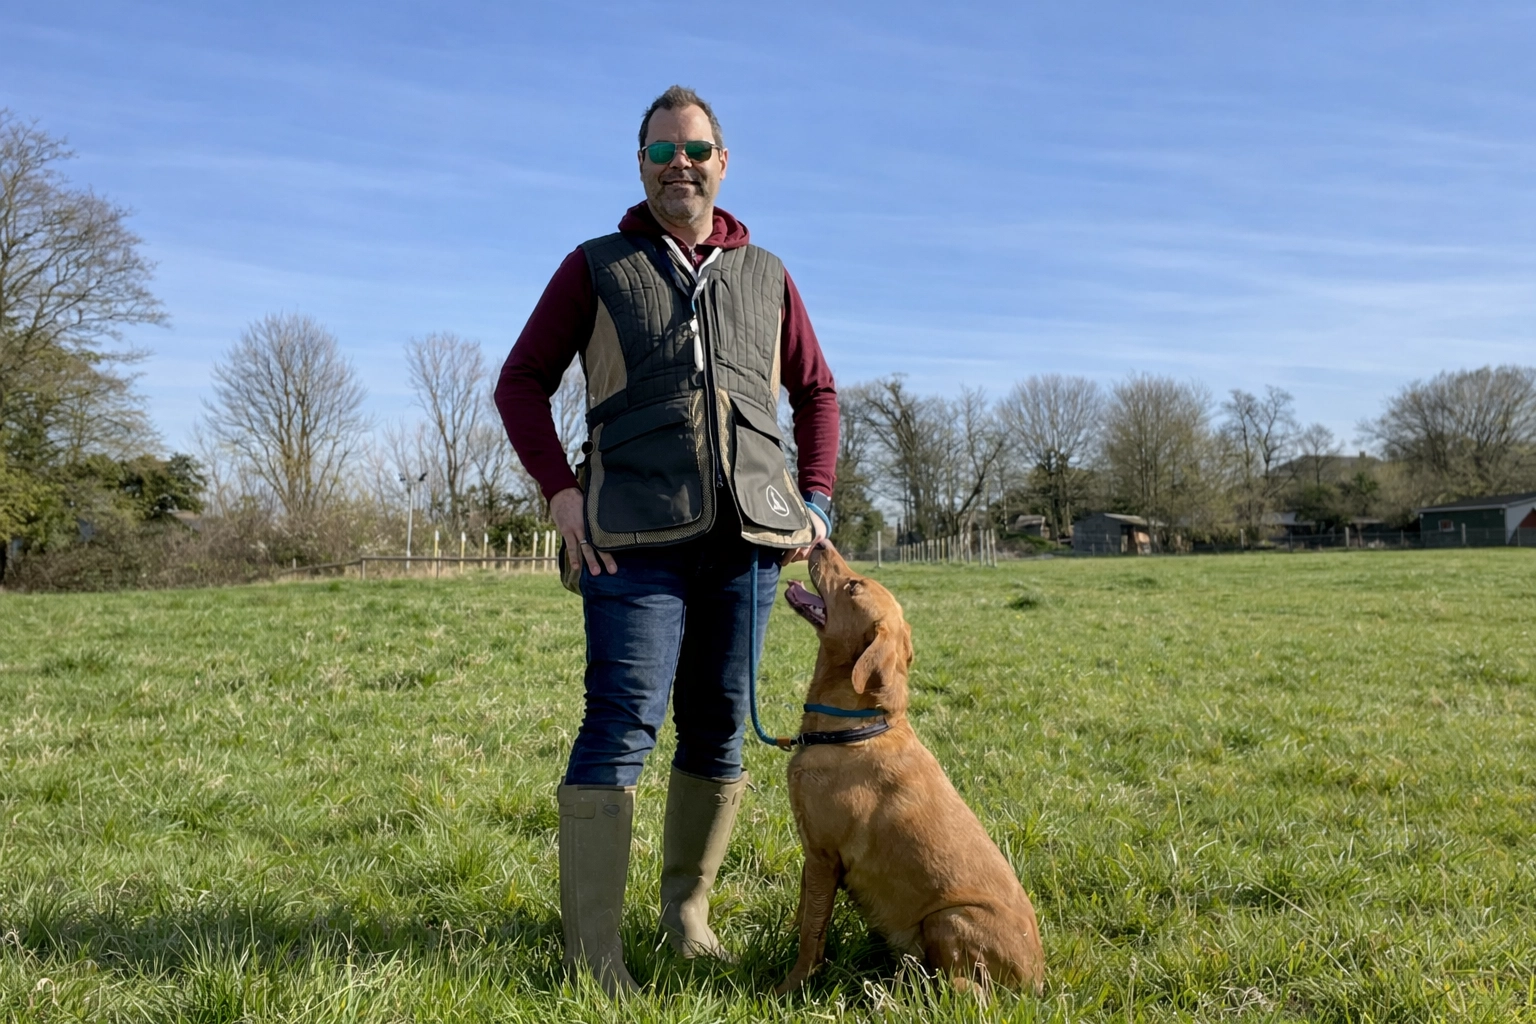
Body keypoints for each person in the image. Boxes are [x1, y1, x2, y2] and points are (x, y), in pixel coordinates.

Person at [494, 85, 838, 994]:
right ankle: (593, 957)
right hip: (628, 539)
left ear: (723, 162)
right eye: (659, 152)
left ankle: (688, 917)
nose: (678, 165)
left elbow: (819, 394)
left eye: (694, 150)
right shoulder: (595, 265)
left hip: (751, 544)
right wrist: (562, 496)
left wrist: (816, 503)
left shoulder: (767, 274)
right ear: (639, 164)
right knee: (619, 725)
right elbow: (520, 381)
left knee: (720, 728)